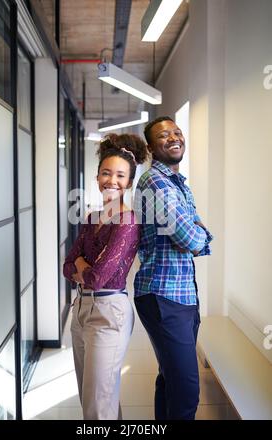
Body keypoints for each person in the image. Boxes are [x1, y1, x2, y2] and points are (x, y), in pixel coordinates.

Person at [63, 133, 148, 420]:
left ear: (130, 182)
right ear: (97, 176)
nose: (111, 180)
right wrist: (77, 264)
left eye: (120, 175)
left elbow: (97, 278)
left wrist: (80, 263)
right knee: (96, 398)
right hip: (80, 311)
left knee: (97, 406)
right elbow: (65, 267)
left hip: (109, 313)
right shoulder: (91, 218)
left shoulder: (128, 222)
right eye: (106, 173)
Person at [133, 116, 213, 420]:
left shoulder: (177, 183)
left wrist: (195, 230)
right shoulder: (155, 181)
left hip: (180, 295)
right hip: (164, 295)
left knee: (170, 379)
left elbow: (190, 233)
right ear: (152, 147)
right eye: (163, 135)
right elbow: (189, 237)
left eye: (177, 132)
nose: (173, 137)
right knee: (186, 390)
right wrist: (199, 230)